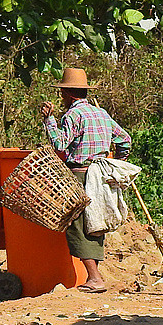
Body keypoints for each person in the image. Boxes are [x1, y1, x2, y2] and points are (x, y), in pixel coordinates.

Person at [40, 67, 131, 293]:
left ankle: (95, 278)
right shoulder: (102, 114)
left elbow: (60, 145)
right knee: (94, 223)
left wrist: (49, 120)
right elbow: (125, 140)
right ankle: (94, 276)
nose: (61, 98)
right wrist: (115, 162)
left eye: (62, 93)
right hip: (100, 174)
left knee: (76, 224)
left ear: (68, 95)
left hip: (79, 175)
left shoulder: (73, 115)